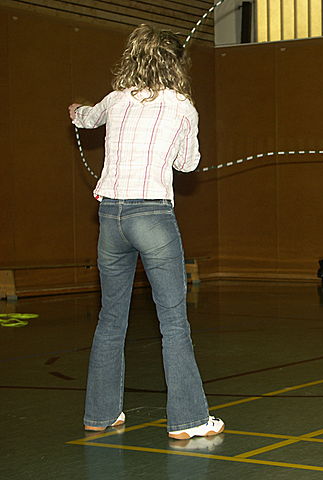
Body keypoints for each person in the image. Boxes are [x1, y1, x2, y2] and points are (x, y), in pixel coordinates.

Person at [69, 24, 224, 439]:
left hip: (111, 218)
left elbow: (86, 118)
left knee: (110, 319)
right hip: (152, 216)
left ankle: (100, 414)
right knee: (173, 322)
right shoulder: (182, 107)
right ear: (175, 65)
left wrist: (77, 111)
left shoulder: (116, 99)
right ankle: (190, 420)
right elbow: (188, 164)